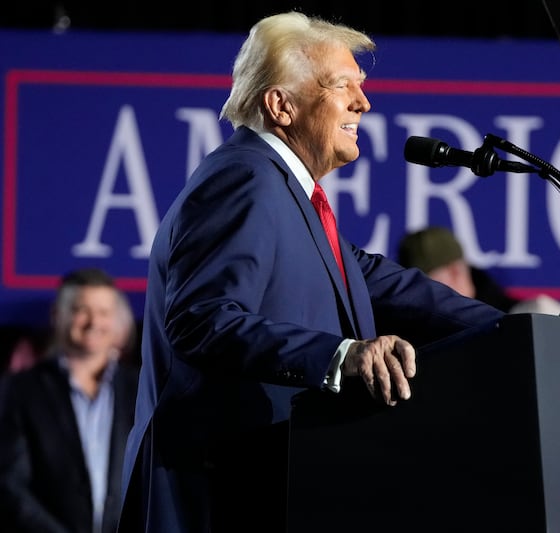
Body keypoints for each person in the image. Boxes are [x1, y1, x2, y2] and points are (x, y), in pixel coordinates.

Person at [117, 12, 506, 533]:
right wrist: (340, 357)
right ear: (281, 105)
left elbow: (377, 279)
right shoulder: (244, 177)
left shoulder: (284, 191)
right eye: (342, 86)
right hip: (218, 496)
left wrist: (511, 330)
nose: (363, 103)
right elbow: (201, 319)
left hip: (271, 487)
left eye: (360, 87)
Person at [0, 268, 140, 533]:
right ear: (57, 316)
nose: (93, 322)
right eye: (81, 310)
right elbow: (9, 482)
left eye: (104, 313)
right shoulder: (21, 389)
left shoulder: (141, 389)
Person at [396, 225, 552, 313]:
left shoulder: (531, 316)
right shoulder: (405, 334)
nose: (416, 294)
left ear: (454, 272)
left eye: (423, 283)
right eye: (410, 284)